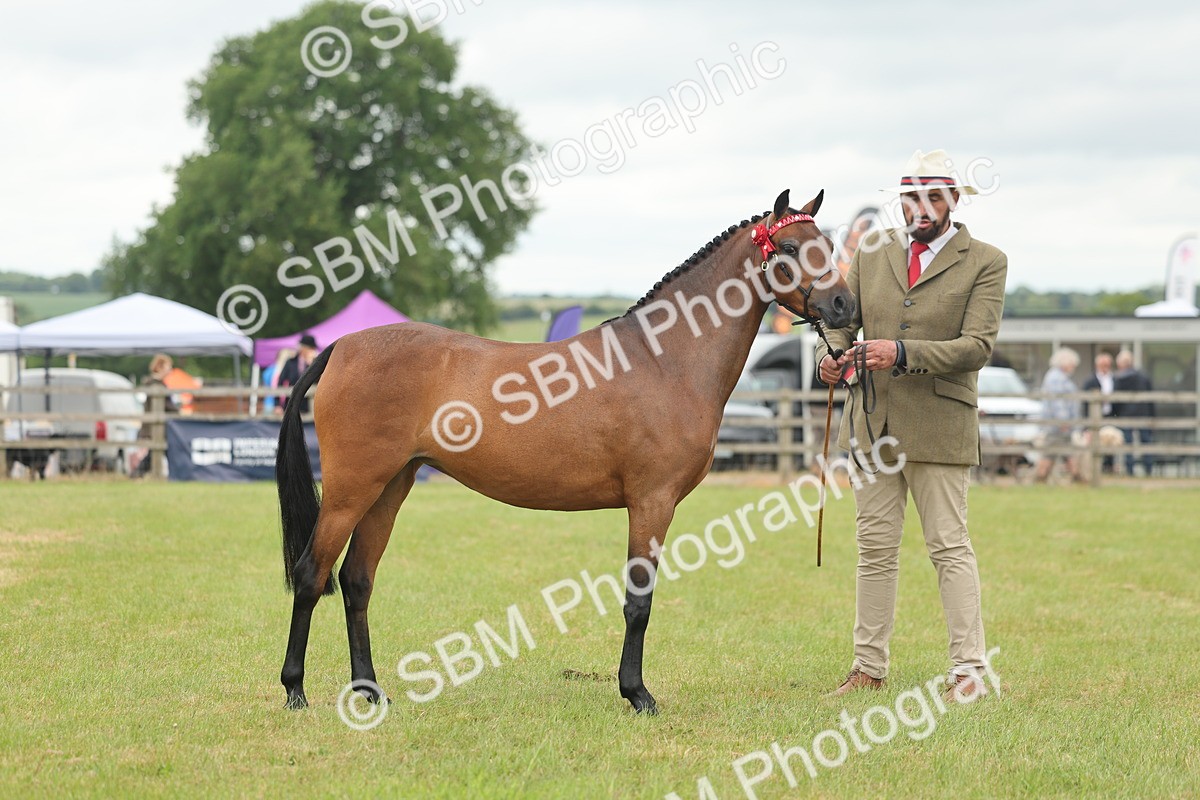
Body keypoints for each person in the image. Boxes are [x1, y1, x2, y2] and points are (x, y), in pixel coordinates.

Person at [816, 149, 1007, 702]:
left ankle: (968, 672)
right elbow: (844, 326)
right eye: (909, 198)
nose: (918, 209)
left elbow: (977, 347)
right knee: (874, 549)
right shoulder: (873, 252)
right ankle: (867, 668)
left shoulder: (986, 261)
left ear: (952, 200)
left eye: (930, 198)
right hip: (872, 424)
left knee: (949, 547)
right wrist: (832, 359)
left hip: (941, 425)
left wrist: (900, 351)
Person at [1034, 347, 1083, 483]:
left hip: (1058, 424)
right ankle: (1040, 478)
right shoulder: (1056, 378)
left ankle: (1076, 476)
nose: (1073, 367)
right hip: (1057, 425)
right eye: (1072, 363)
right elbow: (1057, 400)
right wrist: (1063, 421)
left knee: (1064, 452)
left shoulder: (1058, 377)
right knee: (1051, 452)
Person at [132, 354, 179, 478]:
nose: (170, 370)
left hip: (154, 425)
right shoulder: (156, 385)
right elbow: (167, 406)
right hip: (155, 426)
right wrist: (179, 413)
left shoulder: (151, 383)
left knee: (156, 452)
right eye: (168, 367)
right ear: (160, 367)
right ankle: (176, 475)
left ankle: (137, 475)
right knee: (158, 451)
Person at [1112, 350, 1154, 476]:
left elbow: (1116, 399)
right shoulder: (1143, 377)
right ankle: (1148, 469)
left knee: (1128, 442)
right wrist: (1152, 414)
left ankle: (1130, 470)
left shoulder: (1119, 379)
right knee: (1146, 442)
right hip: (1143, 414)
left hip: (1127, 415)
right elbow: (1151, 399)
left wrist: (1115, 414)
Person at [1082, 352, 1116, 472]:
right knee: (1096, 441)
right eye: (1102, 365)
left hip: (1110, 415)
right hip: (1095, 416)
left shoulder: (1115, 379)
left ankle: (1109, 467)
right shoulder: (1090, 381)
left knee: (1110, 441)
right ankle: (1096, 469)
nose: (1105, 368)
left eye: (1107, 365)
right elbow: (1085, 403)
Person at [278, 334, 319, 413]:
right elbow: (281, 381)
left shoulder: (315, 364)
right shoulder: (291, 362)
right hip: (291, 404)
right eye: (310, 348)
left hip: (310, 406)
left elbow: (318, 381)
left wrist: (312, 364)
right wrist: (277, 404)